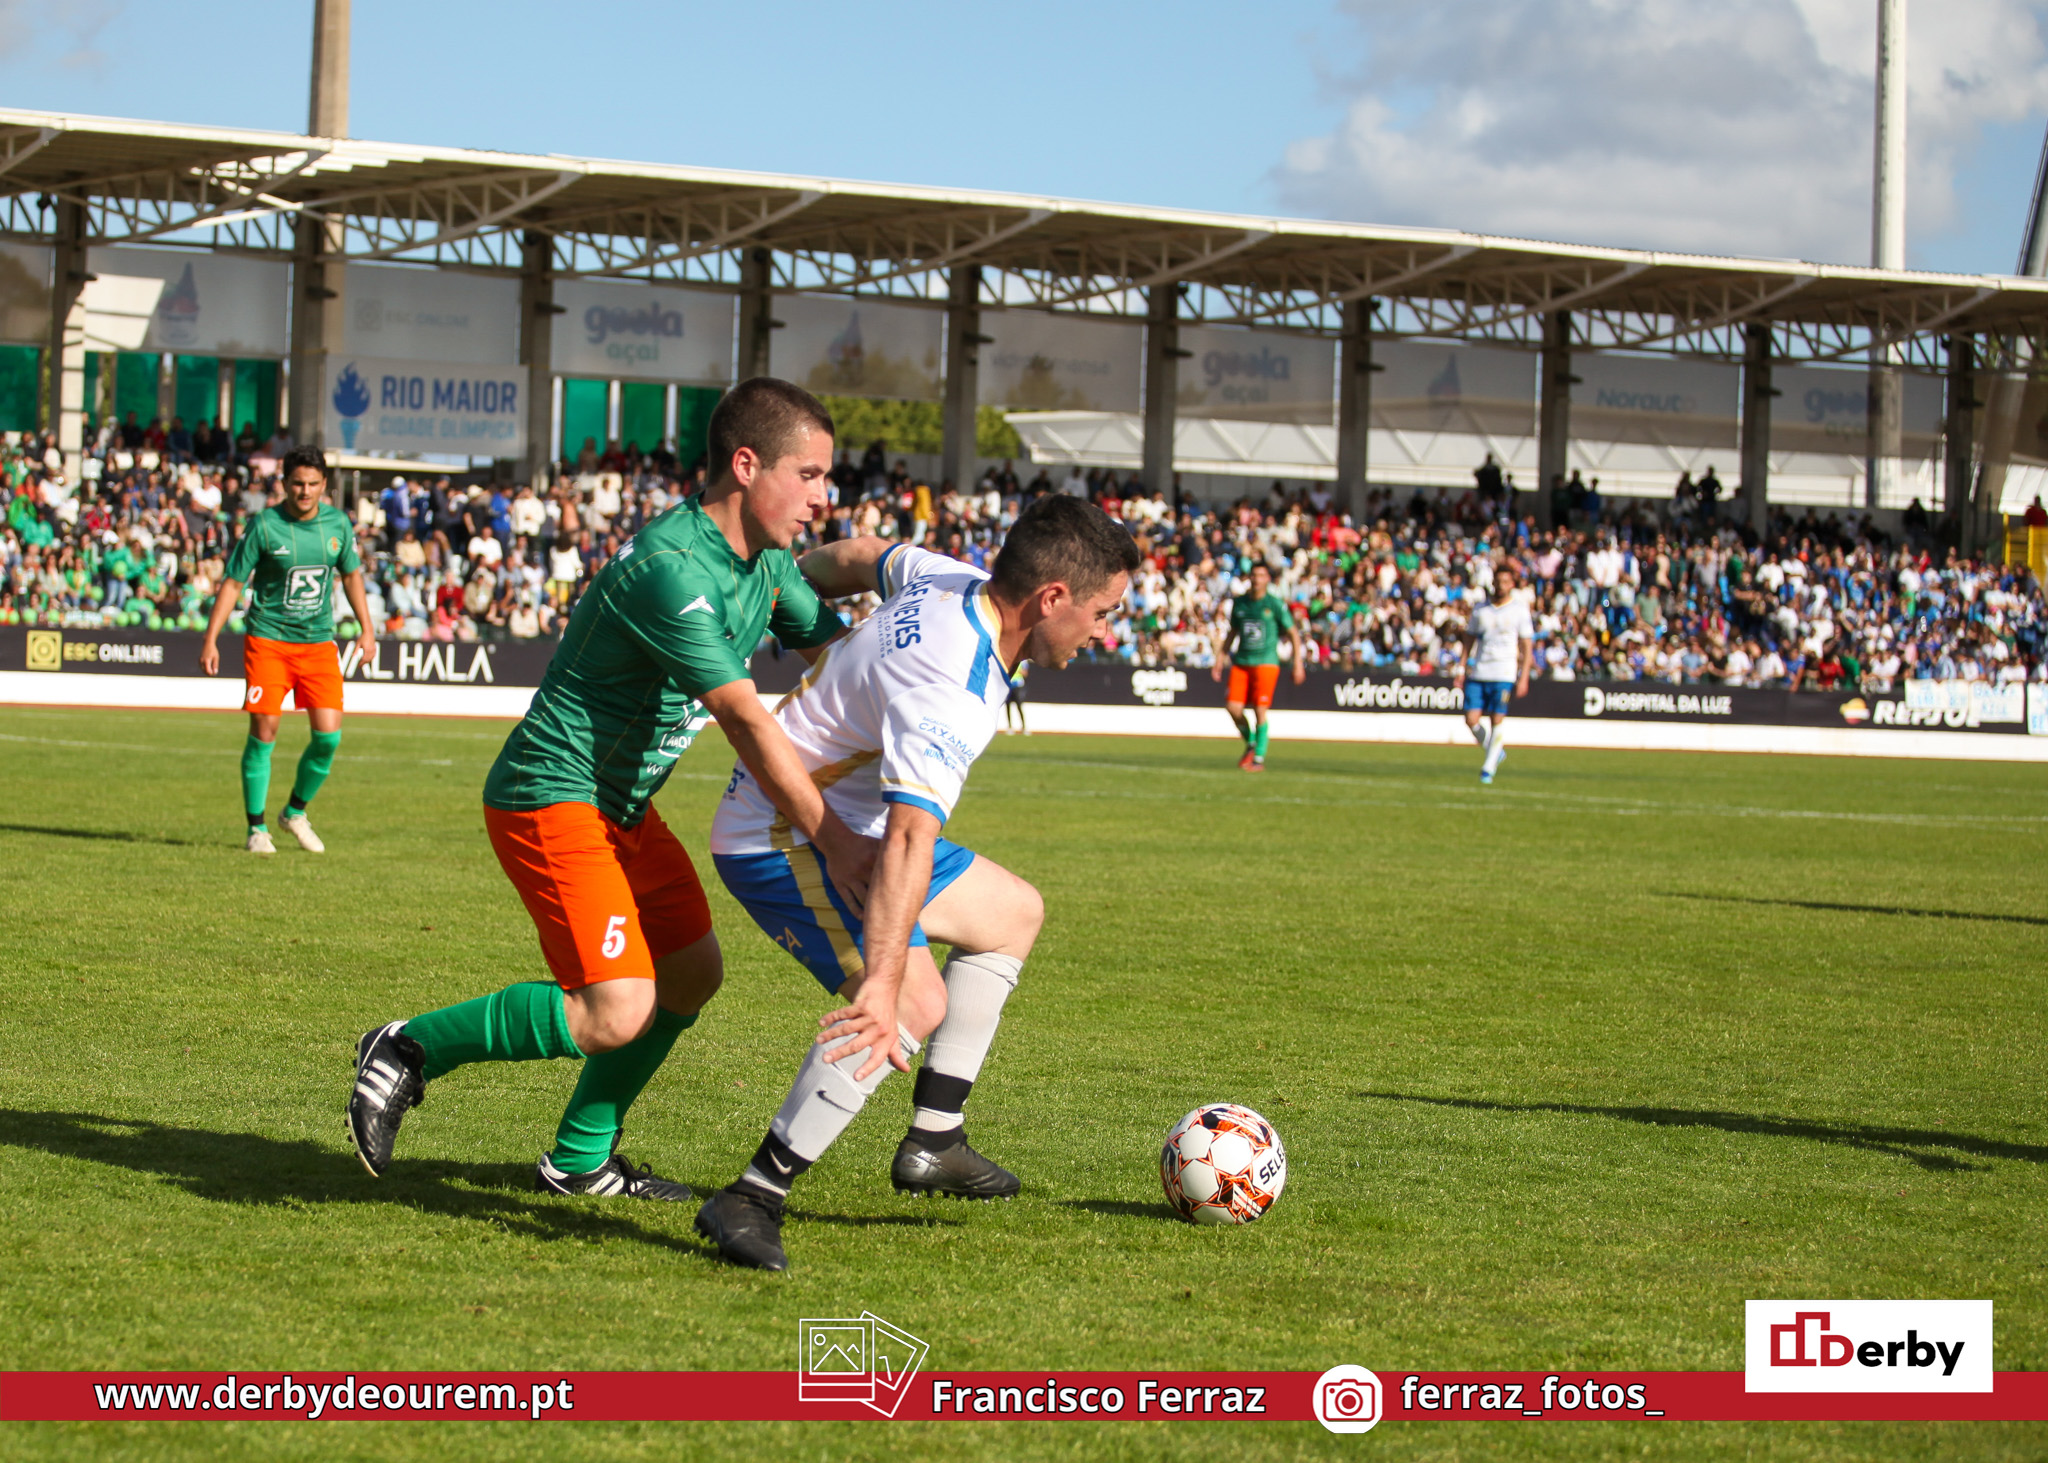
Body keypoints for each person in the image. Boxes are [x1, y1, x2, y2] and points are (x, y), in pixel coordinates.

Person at [346, 378, 878, 1203]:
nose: (823, 495)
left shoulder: (765, 562)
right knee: (616, 1009)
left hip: (619, 807)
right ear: (746, 465)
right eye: (808, 475)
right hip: (549, 792)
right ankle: (409, 1047)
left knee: (692, 972)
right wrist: (836, 841)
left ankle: (579, 1159)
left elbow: (839, 654)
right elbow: (746, 719)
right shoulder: (673, 569)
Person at [694, 495, 1140, 1271]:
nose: (1107, 627)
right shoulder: (953, 686)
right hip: (777, 835)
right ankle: (754, 1193)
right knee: (912, 1001)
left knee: (1013, 912)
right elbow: (908, 833)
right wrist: (884, 978)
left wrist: (782, 582)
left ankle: (934, 1140)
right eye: (1104, 610)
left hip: (849, 822)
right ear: (1052, 598)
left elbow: (863, 554)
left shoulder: (951, 579)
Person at [198, 447, 375, 854]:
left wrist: (367, 629)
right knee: (265, 732)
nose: (305, 491)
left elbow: (351, 575)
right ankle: (256, 828)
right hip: (269, 641)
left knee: (328, 738)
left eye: (313, 483)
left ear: (325, 486)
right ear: (284, 484)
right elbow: (232, 582)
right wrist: (211, 637)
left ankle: (294, 811)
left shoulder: (338, 525)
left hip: (318, 644)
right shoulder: (265, 526)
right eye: (297, 483)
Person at [1211, 560, 1304, 771]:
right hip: (1242, 661)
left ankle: (1258, 759)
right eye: (1254, 575)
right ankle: (1252, 743)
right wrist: (1220, 657)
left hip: (1266, 662)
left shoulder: (1274, 604)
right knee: (1233, 708)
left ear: (1268, 579)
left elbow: (1293, 633)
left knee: (1260, 710)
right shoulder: (1240, 603)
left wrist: (1297, 662)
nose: (1256, 579)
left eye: (1261, 575)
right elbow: (1232, 632)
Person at [1455, 561, 1533, 785]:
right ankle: (1494, 750)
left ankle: (1488, 769)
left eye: (1506, 582)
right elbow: (1469, 639)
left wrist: (1523, 676)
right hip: (1480, 671)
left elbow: (1527, 647)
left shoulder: (1519, 610)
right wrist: (1461, 667)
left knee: (1497, 719)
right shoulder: (1481, 609)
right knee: (1471, 720)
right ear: (1493, 583)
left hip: (1504, 673)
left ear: (1512, 585)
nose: (1501, 586)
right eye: (1498, 582)